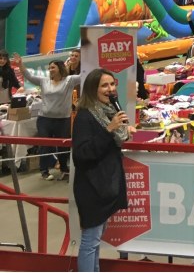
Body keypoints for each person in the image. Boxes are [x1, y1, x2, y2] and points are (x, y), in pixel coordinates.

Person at [73, 69, 134, 272]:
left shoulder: (108, 110)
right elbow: (81, 154)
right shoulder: (85, 116)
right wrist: (109, 129)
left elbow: (112, 140)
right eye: (104, 85)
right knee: (90, 242)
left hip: (105, 186)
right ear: (93, 89)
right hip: (91, 187)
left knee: (96, 240)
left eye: (112, 84)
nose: (110, 89)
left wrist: (123, 130)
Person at [12, 55, 81, 181]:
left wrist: (78, 60)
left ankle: (64, 169)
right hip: (44, 119)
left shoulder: (69, 80)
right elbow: (28, 76)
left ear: (60, 68)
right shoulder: (44, 81)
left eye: (53, 67)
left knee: (63, 145)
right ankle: (44, 170)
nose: (50, 70)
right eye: (49, 68)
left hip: (63, 120)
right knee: (45, 145)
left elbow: (85, 75)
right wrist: (20, 64)